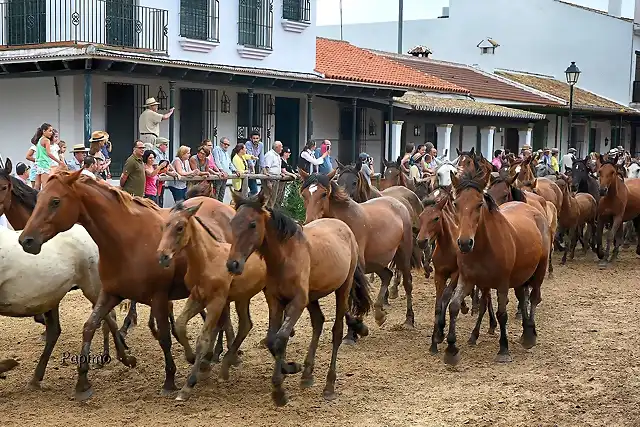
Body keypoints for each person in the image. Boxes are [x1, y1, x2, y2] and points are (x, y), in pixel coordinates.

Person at [212, 136, 240, 203]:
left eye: (228, 145)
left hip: (225, 176)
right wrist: (222, 171)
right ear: (221, 143)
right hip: (219, 175)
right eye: (225, 144)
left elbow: (230, 163)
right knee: (216, 193)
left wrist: (235, 170)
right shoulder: (217, 149)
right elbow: (217, 161)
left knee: (222, 193)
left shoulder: (226, 152)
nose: (226, 146)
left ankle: (220, 207)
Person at [32, 122, 59, 190]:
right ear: (44, 131)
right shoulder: (46, 140)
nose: (51, 133)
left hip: (38, 164)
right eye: (50, 131)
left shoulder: (39, 140)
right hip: (44, 164)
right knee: (45, 185)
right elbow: (49, 153)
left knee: (37, 185)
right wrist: (59, 161)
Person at [153, 137, 177, 207]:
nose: (167, 146)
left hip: (163, 180)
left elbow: (168, 163)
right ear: (160, 145)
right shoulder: (155, 153)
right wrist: (170, 173)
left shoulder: (164, 154)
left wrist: (175, 172)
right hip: (156, 179)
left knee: (161, 199)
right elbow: (156, 167)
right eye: (165, 144)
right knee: (156, 199)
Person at [263, 141, 285, 207]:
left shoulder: (277, 155)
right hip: (270, 179)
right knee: (267, 197)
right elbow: (266, 168)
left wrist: (280, 173)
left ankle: (270, 212)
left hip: (276, 178)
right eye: (281, 147)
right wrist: (268, 181)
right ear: (276, 147)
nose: (282, 149)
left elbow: (276, 167)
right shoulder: (270, 155)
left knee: (273, 198)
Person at [245, 131, 264, 196]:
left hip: (252, 170)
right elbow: (249, 157)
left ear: (259, 138)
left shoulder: (261, 145)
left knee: (254, 190)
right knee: (241, 189)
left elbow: (261, 157)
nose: (255, 140)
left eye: (257, 138)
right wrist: (253, 169)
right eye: (254, 138)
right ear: (251, 139)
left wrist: (263, 169)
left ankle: (246, 200)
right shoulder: (248, 144)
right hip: (245, 168)